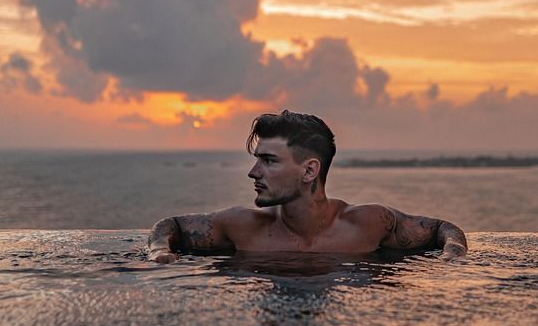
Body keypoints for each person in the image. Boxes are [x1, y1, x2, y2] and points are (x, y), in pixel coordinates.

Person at [146, 110, 467, 263]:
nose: (253, 172)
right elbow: (170, 225)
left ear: (309, 170)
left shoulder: (368, 224)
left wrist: (453, 254)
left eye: (269, 161)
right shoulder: (240, 226)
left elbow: (442, 229)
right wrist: (159, 251)